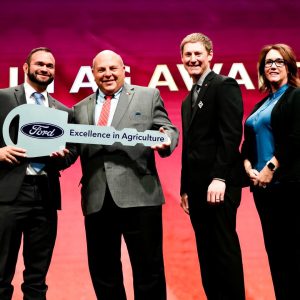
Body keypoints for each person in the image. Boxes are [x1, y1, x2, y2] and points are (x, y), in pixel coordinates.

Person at [70, 50, 179, 300]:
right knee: (103, 272)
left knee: (148, 270)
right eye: (101, 70)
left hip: (141, 196)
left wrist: (165, 140)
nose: (108, 74)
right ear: (93, 74)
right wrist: (57, 156)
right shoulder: (79, 108)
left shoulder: (148, 96)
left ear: (123, 69)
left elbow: (169, 129)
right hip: (97, 200)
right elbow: (73, 151)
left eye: (113, 69)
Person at [0, 47, 72, 300]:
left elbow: (72, 152)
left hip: (45, 195)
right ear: (25, 67)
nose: (44, 69)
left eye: (50, 66)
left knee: (37, 276)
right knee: (0, 272)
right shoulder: (3, 97)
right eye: (39, 64)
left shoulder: (63, 111)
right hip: (7, 195)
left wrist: (63, 157)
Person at [179, 33, 245, 299]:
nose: (193, 59)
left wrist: (219, 177)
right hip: (197, 190)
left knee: (223, 250)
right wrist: (184, 188)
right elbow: (189, 147)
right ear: (182, 59)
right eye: (188, 55)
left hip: (219, 185)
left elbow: (231, 135)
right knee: (206, 253)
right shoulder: (187, 100)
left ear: (210, 55)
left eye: (198, 54)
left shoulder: (224, 84)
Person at [242, 44, 300, 299]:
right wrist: (248, 169)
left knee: (294, 256)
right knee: (276, 256)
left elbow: (296, 138)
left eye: (279, 62)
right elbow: (246, 147)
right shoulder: (260, 105)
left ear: (289, 67)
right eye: (268, 62)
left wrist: (271, 167)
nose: (273, 66)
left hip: (290, 187)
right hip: (264, 192)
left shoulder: (296, 97)